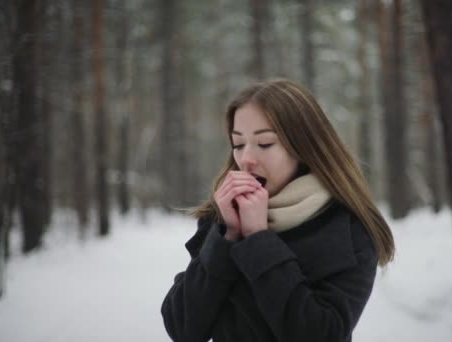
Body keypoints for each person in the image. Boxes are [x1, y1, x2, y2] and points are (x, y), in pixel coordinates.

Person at [161, 79, 395, 342]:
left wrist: (259, 241)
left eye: (265, 144)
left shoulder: (349, 228)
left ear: (304, 148)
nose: (246, 159)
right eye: (238, 144)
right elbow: (182, 328)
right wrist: (228, 237)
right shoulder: (222, 219)